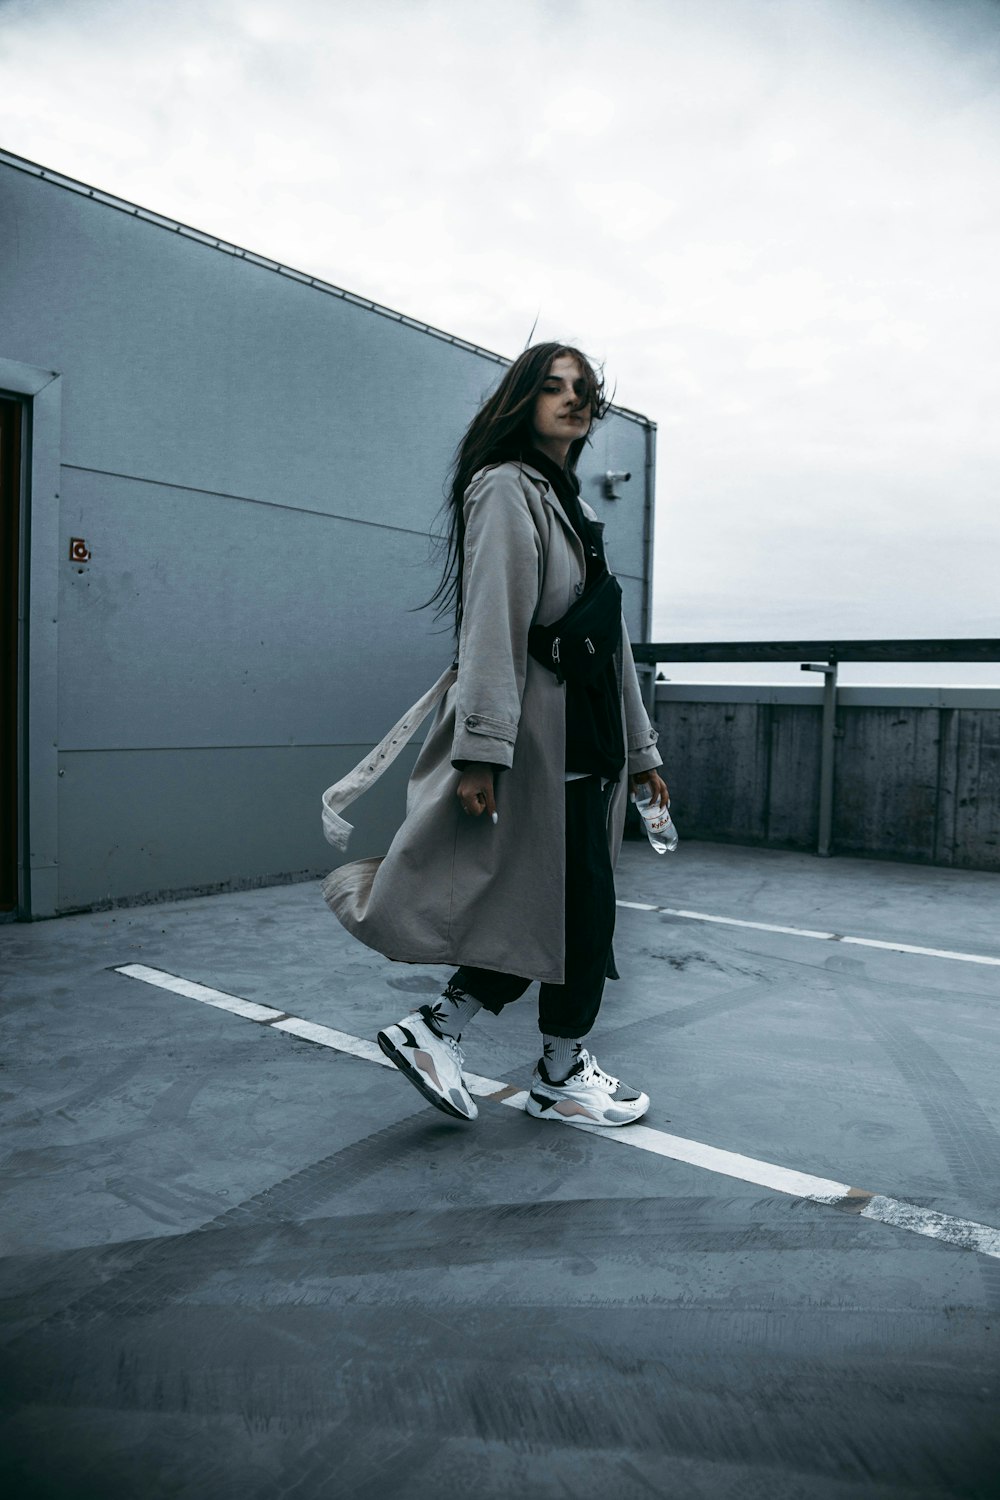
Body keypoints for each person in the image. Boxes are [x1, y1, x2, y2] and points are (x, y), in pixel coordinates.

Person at [322, 342, 669, 1128]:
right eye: (553, 388)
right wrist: (481, 750)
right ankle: (463, 1039)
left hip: (589, 749)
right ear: (523, 402)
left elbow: (609, 648)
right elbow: (492, 623)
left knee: (566, 911)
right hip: (542, 746)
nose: (572, 400)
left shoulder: (569, 505)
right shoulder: (506, 489)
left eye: (583, 390)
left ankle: (537, 1062)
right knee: (554, 908)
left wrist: (643, 755)